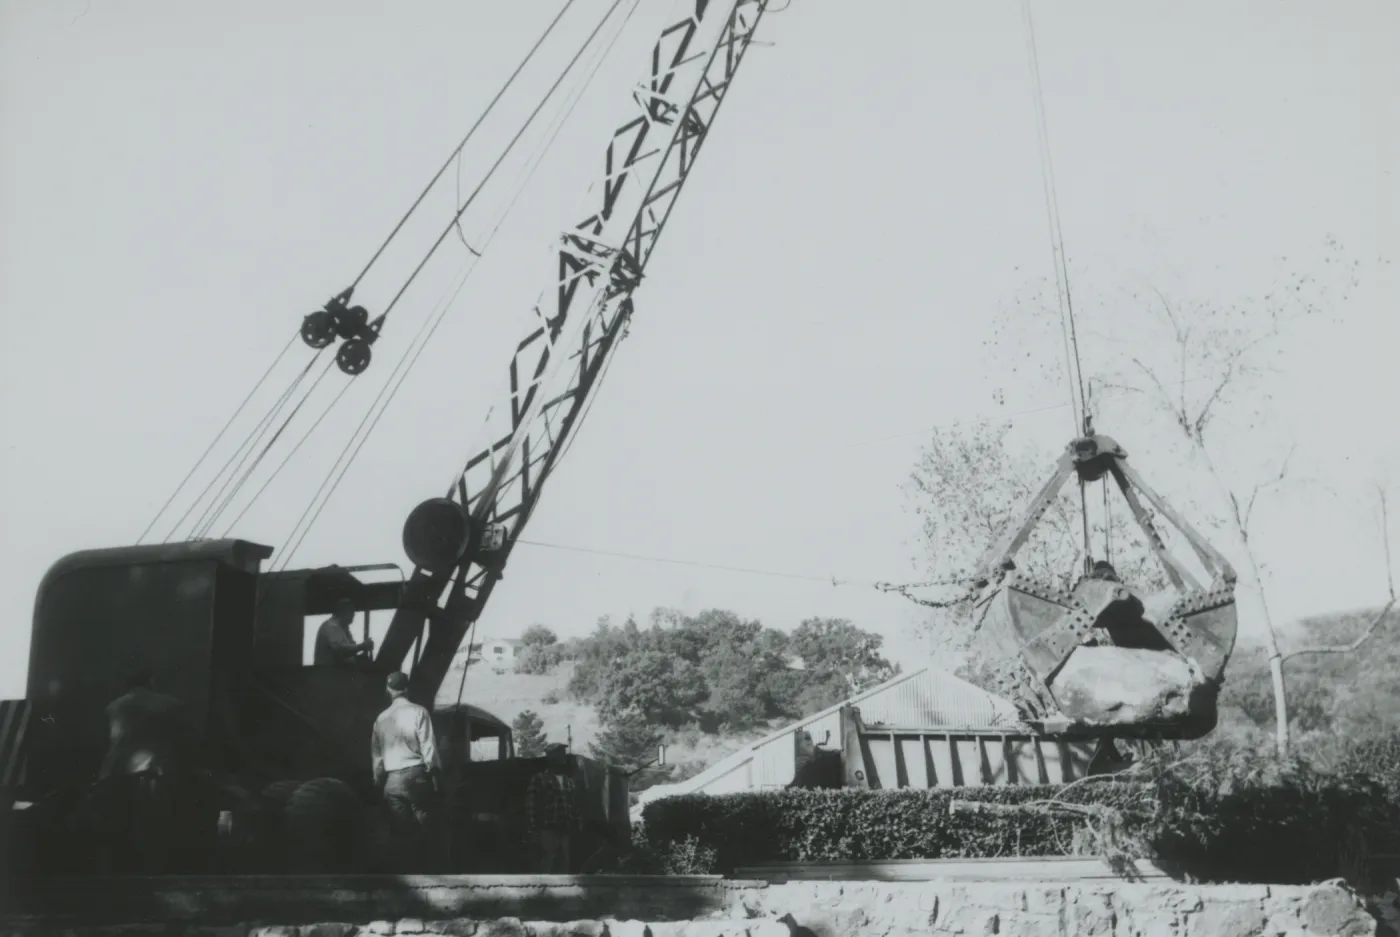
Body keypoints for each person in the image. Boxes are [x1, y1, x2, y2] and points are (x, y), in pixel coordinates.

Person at [95, 670, 197, 873]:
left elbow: (105, 741)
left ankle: (116, 872)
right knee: (153, 826)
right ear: (150, 683)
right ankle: (150, 872)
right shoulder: (170, 703)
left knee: (118, 825)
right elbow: (185, 737)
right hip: (153, 769)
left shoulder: (114, 706)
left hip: (117, 771)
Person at [371, 671, 440, 867]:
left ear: (388, 690)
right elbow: (429, 747)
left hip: (392, 782)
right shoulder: (419, 712)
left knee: (401, 833)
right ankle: (428, 875)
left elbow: (377, 757)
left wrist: (378, 782)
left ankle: (407, 875)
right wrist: (435, 776)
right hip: (416, 777)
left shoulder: (381, 719)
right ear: (407, 689)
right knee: (425, 827)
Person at [524, 743, 576, 874]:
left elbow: (573, 805)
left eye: (563, 753)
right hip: (547, 831)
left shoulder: (568, 780)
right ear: (551, 758)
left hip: (564, 831)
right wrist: (534, 830)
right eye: (559, 754)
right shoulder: (539, 779)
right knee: (547, 866)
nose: (563, 757)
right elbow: (531, 806)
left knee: (564, 867)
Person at [314, 597, 374, 666]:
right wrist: (361, 647)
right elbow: (339, 650)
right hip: (329, 673)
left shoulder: (343, 629)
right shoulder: (331, 627)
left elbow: (349, 652)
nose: (354, 614)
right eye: (351, 611)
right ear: (343, 612)